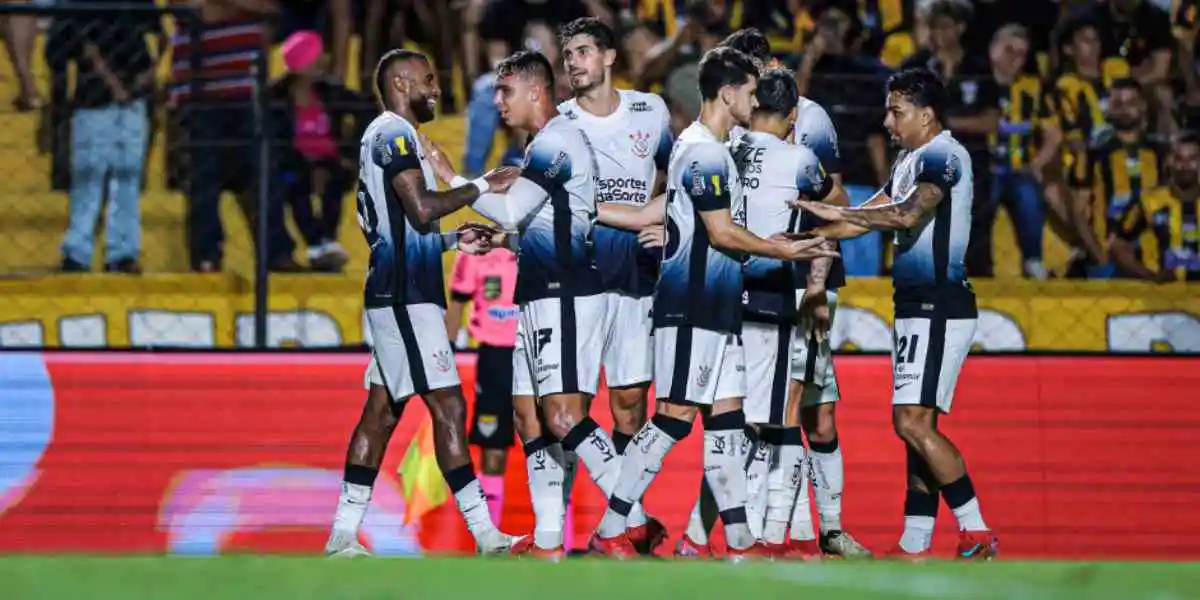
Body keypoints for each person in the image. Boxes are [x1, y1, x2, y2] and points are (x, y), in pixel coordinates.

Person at [588, 46, 837, 561]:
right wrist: (780, 246)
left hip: (718, 308)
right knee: (674, 418)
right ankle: (611, 529)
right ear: (728, 94)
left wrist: (608, 211)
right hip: (690, 308)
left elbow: (663, 211)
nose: (755, 98)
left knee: (727, 424)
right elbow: (722, 232)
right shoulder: (704, 152)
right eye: (750, 90)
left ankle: (741, 542)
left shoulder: (708, 151)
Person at [675, 27, 871, 561]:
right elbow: (834, 209)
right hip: (773, 296)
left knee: (760, 419)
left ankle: (740, 534)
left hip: (744, 294)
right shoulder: (780, 149)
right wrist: (878, 220)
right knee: (771, 420)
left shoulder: (733, 139)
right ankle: (765, 536)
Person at [324, 48, 520, 557]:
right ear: (402, 83)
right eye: (429, 81)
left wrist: (456, 242)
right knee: (449, 405)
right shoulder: (391, 133)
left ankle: (342, 534)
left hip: (400, 287)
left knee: (382, 412)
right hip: (406, 294)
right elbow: (419, 209)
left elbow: (405, 225)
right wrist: (481, 184)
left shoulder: (392, 135)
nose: (436, 90)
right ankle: (486, 535)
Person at [796, 67, 998, 561]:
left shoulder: (944, 155)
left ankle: (976, 531)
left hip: (939, 302)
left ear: (926, 115)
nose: (888, 121)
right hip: (915, 305)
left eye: (897, 111)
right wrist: (800, 236)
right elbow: (873, 215)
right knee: (917, 425)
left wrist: (844, 215)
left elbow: (906, 215)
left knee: (910, 423)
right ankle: (914, 542)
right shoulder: (912, 159)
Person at [427, 50, 619, 561]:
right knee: (527, 419)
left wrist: (455, 180)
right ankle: (550, 541)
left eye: (504, 91)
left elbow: (513, 211)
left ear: (536, 91)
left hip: (567, 295)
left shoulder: (555, 143)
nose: (497, 102)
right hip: (536, 293)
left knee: (561, 418)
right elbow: (536, 227)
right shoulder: (541, 146)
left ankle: (631, 518)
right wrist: (503, 243)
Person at [553, 16, 673, 554]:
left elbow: (675, 175)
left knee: (629, 404)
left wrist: (662, 216)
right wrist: (634, 214)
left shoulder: (651, 110)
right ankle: (607, 525)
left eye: (581, 51)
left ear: (608, 57)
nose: (573, 62)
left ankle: (618, 524)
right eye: (567, 54)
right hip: (578, 277)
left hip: (637, 278)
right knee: (571, 406)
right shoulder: (558, 122)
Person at [57, 6, 158, 273]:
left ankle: (117, 252)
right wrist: (117, 85)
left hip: (125, 95)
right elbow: (82, 45)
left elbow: (161, 36)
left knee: (124, 178)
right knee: (91, 178)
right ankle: (84, 252)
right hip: (97, 97)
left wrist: (143, 78)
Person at [271, 30, 365, 272]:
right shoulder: (276, 96)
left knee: (333, 179)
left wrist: (349, 151)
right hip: (294, 160)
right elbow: (275, 140)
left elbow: (366, 111)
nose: (323, 61)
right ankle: (317, 243)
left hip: (330, 158)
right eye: (316, 58)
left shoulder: (329, 90)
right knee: (296, 183)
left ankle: (325, 242)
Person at [445, 246, 520, 525]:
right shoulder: (474, 249)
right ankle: (490, 536)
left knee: (551, 442)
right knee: (493, 445)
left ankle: (561, 538)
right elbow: (457, 303)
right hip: (494, 357)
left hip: (538, 350)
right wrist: (444, 357)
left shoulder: (538, 239)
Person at [1067, 78, 1167, 278]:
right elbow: (1078, 212)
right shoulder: (1093, 155)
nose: (1124, 109)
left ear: (1143, 106)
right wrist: (1098, 254)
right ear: (1108, 110)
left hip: (1156, 249)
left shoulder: (1162, 154)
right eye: (1117, 104)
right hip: (1107, 254)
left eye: (1131, 103)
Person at [1111, 131, 1200, 281]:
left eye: (1192, 159)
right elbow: (1117, 246)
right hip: (1159, 298)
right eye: (1178, 158)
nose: (1185, 166)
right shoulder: (1148, 201)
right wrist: (1150, 276)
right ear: (1168, 161)